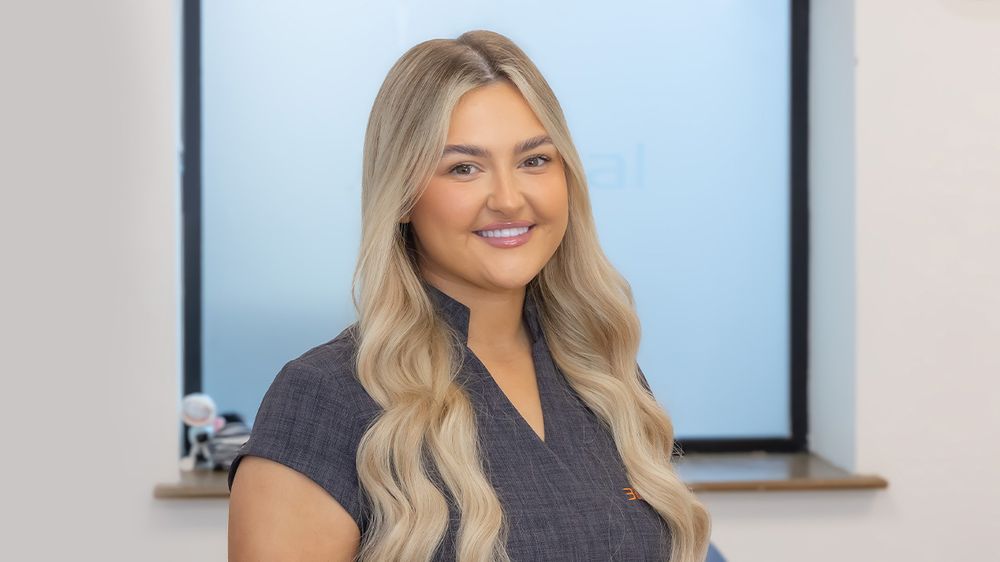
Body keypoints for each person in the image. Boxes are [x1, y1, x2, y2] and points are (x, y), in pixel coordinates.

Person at [227, 29, 711, 561]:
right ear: (404, 196)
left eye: (534, 161)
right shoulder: (323, 398)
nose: (508, 198)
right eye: (464, 168)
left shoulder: (602, 375)